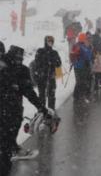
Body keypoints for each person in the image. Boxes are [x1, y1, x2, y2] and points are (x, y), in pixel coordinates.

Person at [0, 45, 49, 176]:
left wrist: (41, 107)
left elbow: (28, 91)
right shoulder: (14, 69)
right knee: (4, 152)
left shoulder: (20, 70)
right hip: (10, 115)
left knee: (5, 152)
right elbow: (28, 91)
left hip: (11, 115)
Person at [34, 36, 62, 110]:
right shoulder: (40, 51)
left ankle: (51, 110)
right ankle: (41, 111)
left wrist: (55, 62)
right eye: (49, 41)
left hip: (51, 76)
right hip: (42, 77)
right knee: (42, 95)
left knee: (51, 95)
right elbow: (36, 63)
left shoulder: (55, 52)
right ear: (45, 42)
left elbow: (59, 64)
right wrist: (40, 72)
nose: (50, 43)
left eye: (52, 41)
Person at [70, 33, 93, 102]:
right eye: (85, 38)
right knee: (82, 81)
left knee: (79, 81)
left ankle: (76, 96)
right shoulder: (83, 47)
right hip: (82, 66)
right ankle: (79, 96)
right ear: (83, 39)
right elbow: (88, 57)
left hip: (76, 66)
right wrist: (89, 49)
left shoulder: (76, 45)